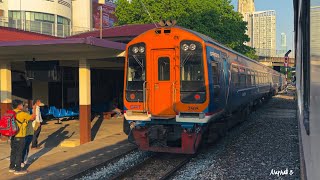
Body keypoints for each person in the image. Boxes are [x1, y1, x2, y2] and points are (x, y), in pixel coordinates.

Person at [9, 100, 35, 175]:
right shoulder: (22, 114)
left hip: (12, 136)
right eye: (22, 105)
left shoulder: (11, 112)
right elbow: (32, 118)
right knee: (19, 153)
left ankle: (11, 167)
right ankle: (18, 170)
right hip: (20, 136)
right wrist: (34, 109)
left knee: (13, 152)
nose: (23, 106)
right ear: (19, 106)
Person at [21, 102, 34, 167]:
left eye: (27, 106)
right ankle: (21, 161)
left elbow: (32, 120)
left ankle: (25, 159)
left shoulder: (28, 113)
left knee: (27, 147)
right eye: (25, 106)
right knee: (23, 148)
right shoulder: (21, 114)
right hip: (24, 133)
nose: (27, 108)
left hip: (30, 133)